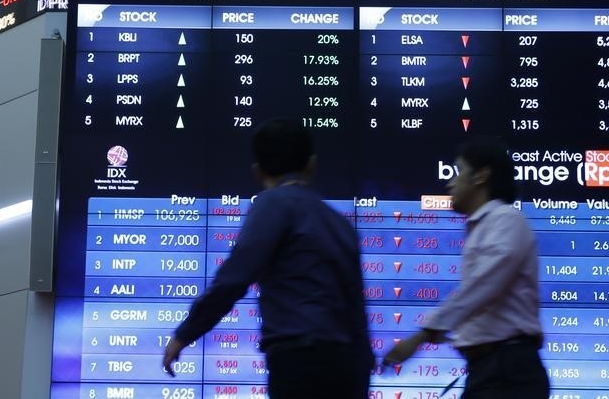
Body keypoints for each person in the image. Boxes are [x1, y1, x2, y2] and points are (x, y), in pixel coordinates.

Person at [162, 118, 374, 398]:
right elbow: (357, 313)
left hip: (298, 364)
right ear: (311, 165)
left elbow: (233, 280)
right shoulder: (341, 224)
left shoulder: (272, 204)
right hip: (347, 368)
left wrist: (183, 335)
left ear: (257, 172)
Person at [383, 136, 549, 398]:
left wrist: (422, 335)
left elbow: (483, 286)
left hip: (507, 372)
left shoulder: (506, 219)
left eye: (458, 172)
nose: (450, 182)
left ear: (481, 176)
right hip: (492, 370)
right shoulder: (485, 226)